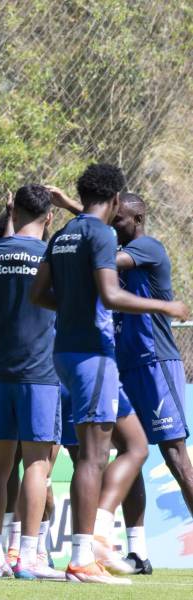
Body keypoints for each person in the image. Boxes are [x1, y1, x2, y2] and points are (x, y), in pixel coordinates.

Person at [30, 163, 188, 584]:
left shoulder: (63, 235)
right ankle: (86, 552)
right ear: (115, 200)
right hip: (93, 355)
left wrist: (73, 309)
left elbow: (38, 293)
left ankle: (105, 534)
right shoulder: (98, 234)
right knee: (94, 454)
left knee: (134, 445)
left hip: (71, 352)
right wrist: (166, 307)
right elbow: (111, 293)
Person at [0, 184, 63, 580]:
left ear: (14, 210)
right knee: (37, 465)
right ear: (50, 216)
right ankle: (27, 557)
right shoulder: (52, 256)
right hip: (39, 373)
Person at [112, 192, 193, 572]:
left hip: (155, 365)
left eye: (120, 220)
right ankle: (138, 552)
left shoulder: (147, 247)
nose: (114, 225)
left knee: (176, 458)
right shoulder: (120, 242)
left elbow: (105, 260)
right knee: (130, 455)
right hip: (123, 366)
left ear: (139, 217)